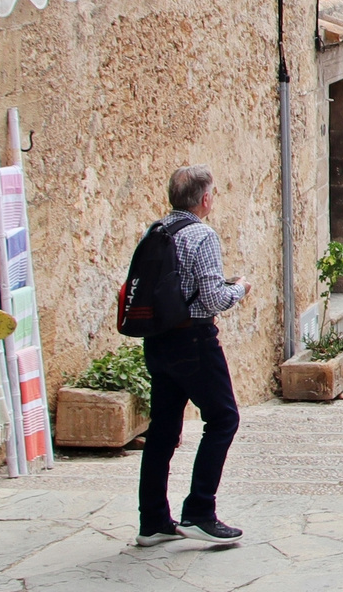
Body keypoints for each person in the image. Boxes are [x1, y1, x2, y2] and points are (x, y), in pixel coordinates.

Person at [137, 165, 249, 547]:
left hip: (159, 341)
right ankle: (200, 510)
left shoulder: (155, 231)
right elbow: (213, 298)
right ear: (205, 199)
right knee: (223, 418)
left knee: (163, 430)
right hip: (195, 340)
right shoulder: (202, 235)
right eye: (212, 194)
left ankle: (152, 520)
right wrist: (240, 289)